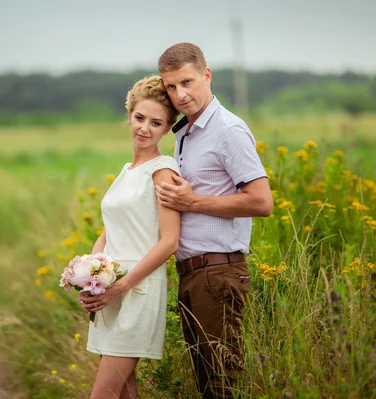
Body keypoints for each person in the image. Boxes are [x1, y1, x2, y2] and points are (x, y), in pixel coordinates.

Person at [155, 42, 273, 398]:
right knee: (207, 384)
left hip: (218, 274)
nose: (180, 94)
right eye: (171, 87)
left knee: (223, 384)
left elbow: (261, 201)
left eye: (187, 82)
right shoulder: (187, 133)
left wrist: (193, 201)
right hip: (192, 273)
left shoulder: (227, 130)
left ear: (207, 75)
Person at [79, 75, 181, 399]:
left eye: (156, 122)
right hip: (111, 289)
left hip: (138, 290)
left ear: (167, 128)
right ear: (129, 116)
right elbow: (109, 232)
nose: (144, 128)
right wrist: (91, 275)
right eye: (139, 118)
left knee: (102, 396)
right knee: (123, 393)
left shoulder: (163, 170)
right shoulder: (127, 170)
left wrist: (122, 285)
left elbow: (170, 241)